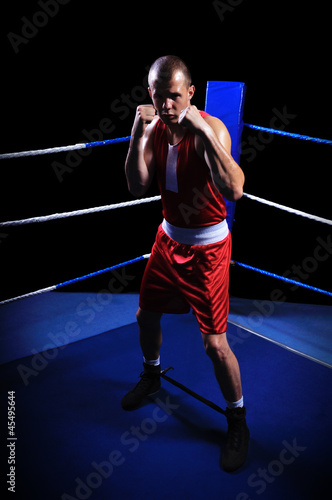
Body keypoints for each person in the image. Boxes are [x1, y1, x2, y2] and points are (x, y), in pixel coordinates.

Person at [122, 55, 249, 472]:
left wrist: (203, 133)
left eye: (174, 96)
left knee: (214, 344)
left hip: (208, 250)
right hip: (167, 240)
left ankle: (237, 421)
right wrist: (136, 133)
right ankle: (152, 373)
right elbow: (137, 184)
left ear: (190, 93)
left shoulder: (211, 129)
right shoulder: (155, 125)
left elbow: (235, 191)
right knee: (145, 315)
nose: (167, 106)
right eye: (158, 97)